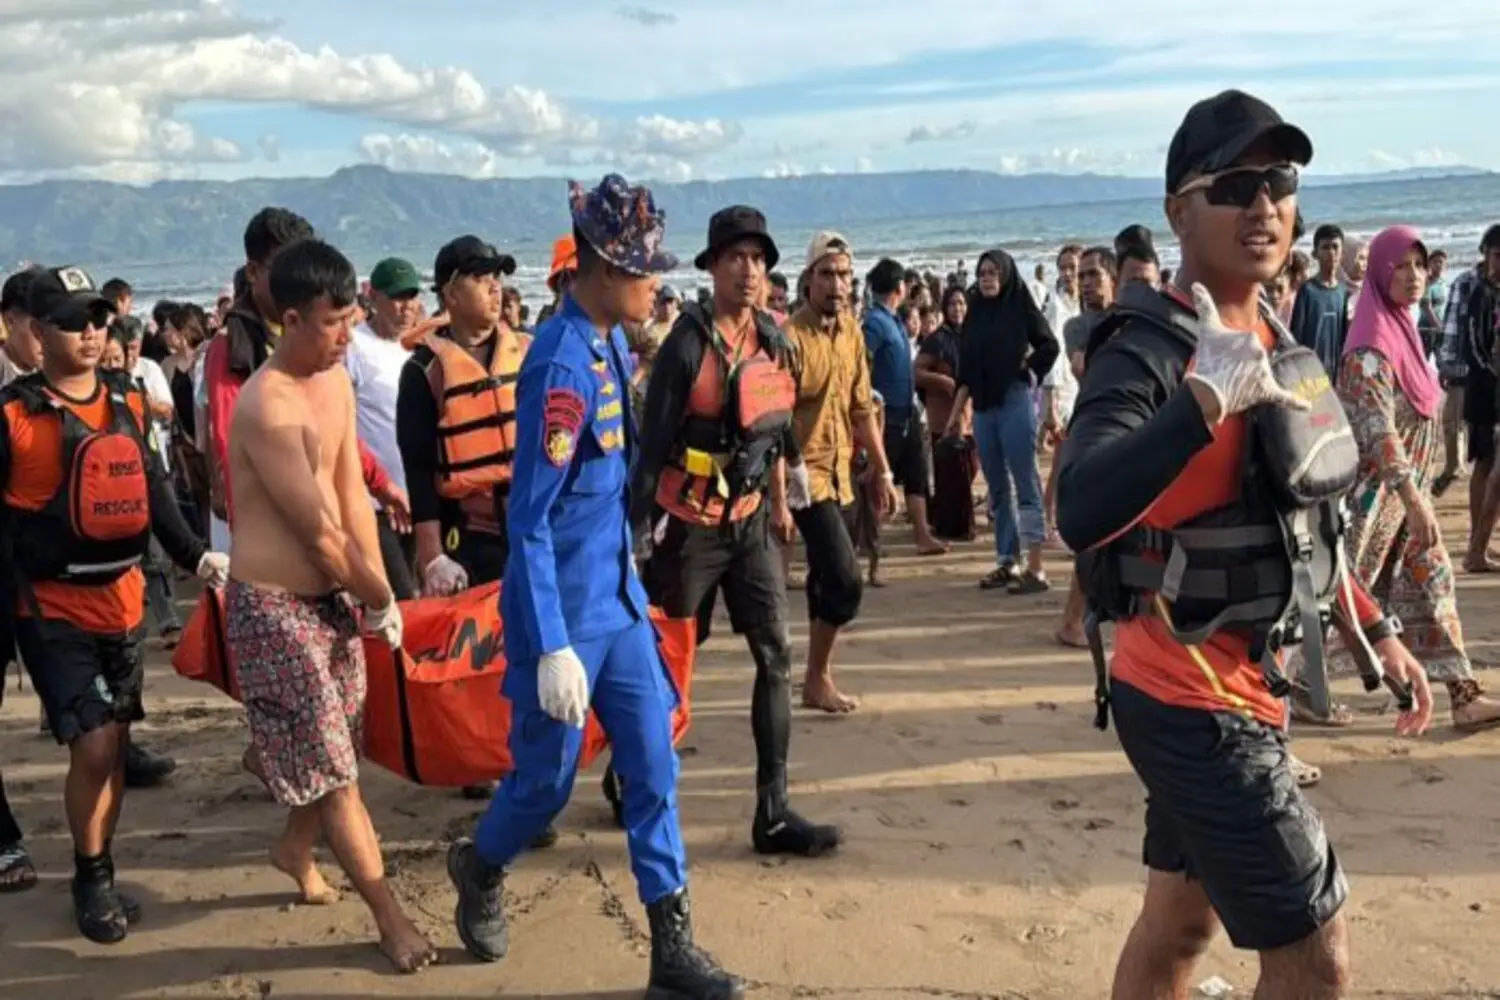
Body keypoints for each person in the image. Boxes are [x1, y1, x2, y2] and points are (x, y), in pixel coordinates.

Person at [1057, 89, 1434, 999]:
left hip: (1242, 685)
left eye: (1279, 180)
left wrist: (1373, 628)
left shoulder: (1277, 334)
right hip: (1187, 695)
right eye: (1234, 184)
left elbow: (1305, 520)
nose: (1263, 204)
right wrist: (1198, 404)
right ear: (1179, 210)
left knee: (1179, 925)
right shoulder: (1147, 349)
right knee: (1316, 952)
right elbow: (1078, 504)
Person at [446, 174, 742, 999]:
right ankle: (478, 864)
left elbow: (606, 488)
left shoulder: (612, 338)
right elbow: (532, 518)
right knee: (543, 785)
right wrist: (551, 647)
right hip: (564, 622)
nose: (658, 284)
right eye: (647, 271)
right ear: (607, 268)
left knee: (653, 764)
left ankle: (672, 950)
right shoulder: (563, 366)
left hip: (614, 606)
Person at [224, 238, 435, 974]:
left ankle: (293, 847)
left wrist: (386, 594)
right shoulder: (267, 406)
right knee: (339, 773)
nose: (349, 334)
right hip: (274, 609)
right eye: (333, 321)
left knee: (337, 746)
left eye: (352, 318)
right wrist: (376, 596)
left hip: (335, 601)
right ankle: (390, 918)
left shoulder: (335, 380)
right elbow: (316, 535)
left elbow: (351, 497)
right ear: (289, 319)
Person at [0, 266, 228, 943]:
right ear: (38, 332)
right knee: (94, 745)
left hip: (123, 601)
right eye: (74, 321)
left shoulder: (127, 401)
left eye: (99, 318)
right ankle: (90, 874)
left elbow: (156, 492)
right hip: (48, 609)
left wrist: (197, 557)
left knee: (118, 745)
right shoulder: (11, 415)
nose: (93, 332)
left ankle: (98, 864)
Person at [629, 204, 841, 858]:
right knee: (666, 666)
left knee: (775, 655)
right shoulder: (685, 348)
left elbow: (773, 430)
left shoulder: (774, 340)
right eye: (736, 259)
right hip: (686, 529)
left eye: (759, 260)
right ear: (714, 267)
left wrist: (786, 498)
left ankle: (772, 813)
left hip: (747, 527)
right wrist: (630, 539)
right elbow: (650, 451)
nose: (749, 272)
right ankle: (629, 779)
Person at [1321, 225, 1500, 732]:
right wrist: (1414, 499)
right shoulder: (1368, 348)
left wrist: (1417, 499)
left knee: (1435, 583)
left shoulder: (1404, 332)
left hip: (1406, 501)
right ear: (1380, 271)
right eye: (1401, 266)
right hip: (1370, 507)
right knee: (1331, 601)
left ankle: (1463, 695)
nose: (1414, 276)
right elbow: (1377, 432)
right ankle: (1276, 695)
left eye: (1419, 266)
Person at [782, 232, 899, 714]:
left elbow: (861, 408)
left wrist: (885, 472)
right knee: (846, 581)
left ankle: (816, 678)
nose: (836, 284)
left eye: (844, 274)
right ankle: (812, 674)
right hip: (801, 478)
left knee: (823, 578)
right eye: (826, 274)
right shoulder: (790, 338)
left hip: (841, 474)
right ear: (808, 280)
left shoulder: (852, 331)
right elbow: (775, 421)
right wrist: (780, 491)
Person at [943, 249, 1060, 593]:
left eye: (994, 272)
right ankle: (1008, 561)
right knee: (997, 488)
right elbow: (965, 371)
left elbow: (1049, 346)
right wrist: (954, 418)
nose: (987, 278)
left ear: (1007, 274)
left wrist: (1029, 371)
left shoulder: (1020, 306)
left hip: (1014, 400)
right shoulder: (975, 311)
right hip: (982, 409)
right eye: (982, 273)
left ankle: (1036, 568)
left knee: (1026, 482)